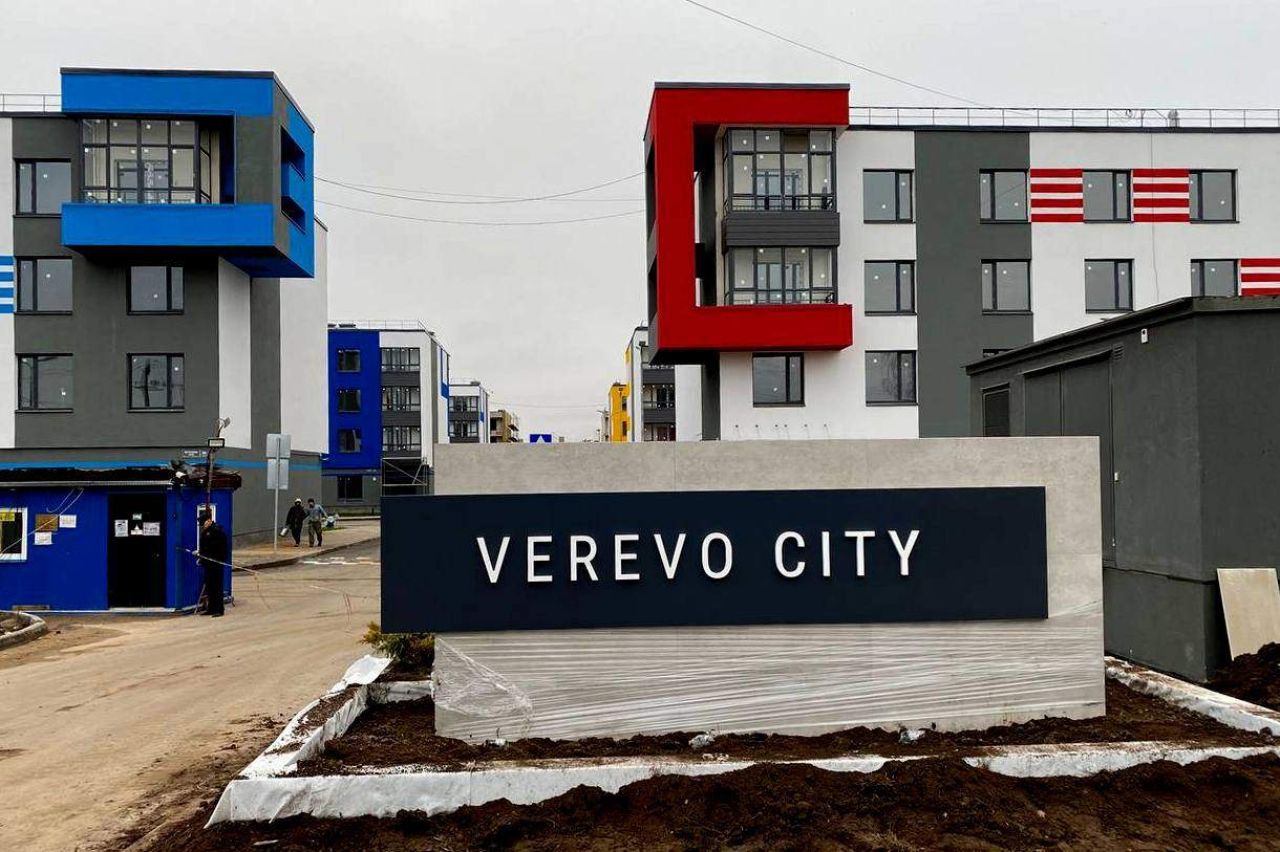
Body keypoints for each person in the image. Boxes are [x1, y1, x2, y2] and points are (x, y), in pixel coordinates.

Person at [198, 510, 228, 617]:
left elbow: (222, 547)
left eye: (204, 522)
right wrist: (201, 556)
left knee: (217, 587)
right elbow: (204, 547)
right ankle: (211, 608)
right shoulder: (205, 532)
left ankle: (219, 610)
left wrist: (218, 559)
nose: (203, 525)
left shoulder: (217, 531)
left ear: (209, 520)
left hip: (216, 563)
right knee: (210, 587)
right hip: (207, 564)